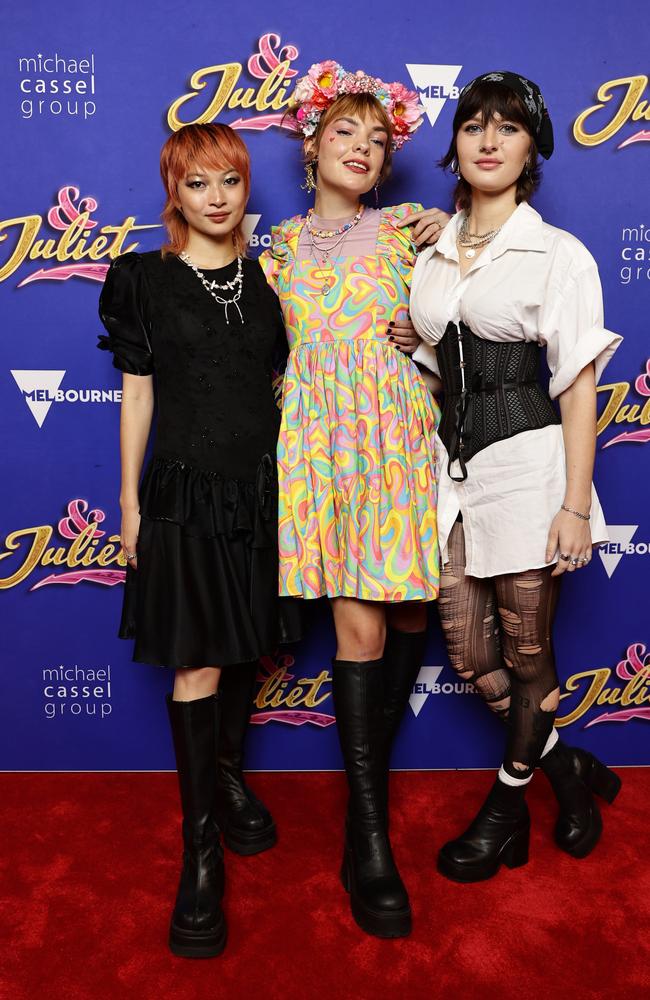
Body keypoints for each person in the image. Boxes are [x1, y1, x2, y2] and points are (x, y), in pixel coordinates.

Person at [409, 71, 622, 883]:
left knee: (529, 653)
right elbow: (437, 363)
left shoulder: (558, 253)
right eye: (473, 126)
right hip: (447, 475)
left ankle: (505, 808)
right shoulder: (430, 248)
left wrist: (573, 505)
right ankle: (571, 771)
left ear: (532, 148)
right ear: (455, 143)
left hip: (529, 470)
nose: (488, 140)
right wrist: (414, 348)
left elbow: (575, 384)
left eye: (507, 128)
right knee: (470, 651)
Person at [98, 123, 299, 956]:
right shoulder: (142, 279)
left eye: (229, 181)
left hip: (261, 494)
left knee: (244, 645)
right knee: (198, 659)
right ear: (174, 194)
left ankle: (227, 776)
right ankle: (201, 854)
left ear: (246, 187)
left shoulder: (274, 275)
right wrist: (130, 506)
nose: (216, 198)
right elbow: (137, 397)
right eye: (197, 184)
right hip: (181, 492)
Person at [259, 61, 447, 938]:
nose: (364, 150)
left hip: (396, 433)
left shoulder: (415, 227)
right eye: (347, 134)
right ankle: (367, 839)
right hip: (318, 445)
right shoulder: (279, 249)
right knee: (358, 618)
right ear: (312, 144)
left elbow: (480, 310)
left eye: (379, 140)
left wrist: (433, 330)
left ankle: (366, 810)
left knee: (407, 614)